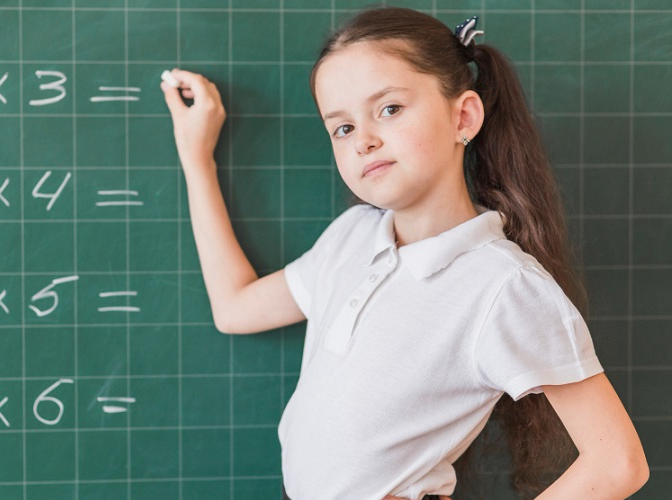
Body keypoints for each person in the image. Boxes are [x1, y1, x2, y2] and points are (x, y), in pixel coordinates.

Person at [160, 6, 648, 500]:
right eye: (342, 128)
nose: (364, 141)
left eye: (389, 108)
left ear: (463, 116)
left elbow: (618, 464)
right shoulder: (351, 237)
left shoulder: (503, 285)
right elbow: (234, 307)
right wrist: (196, 156)